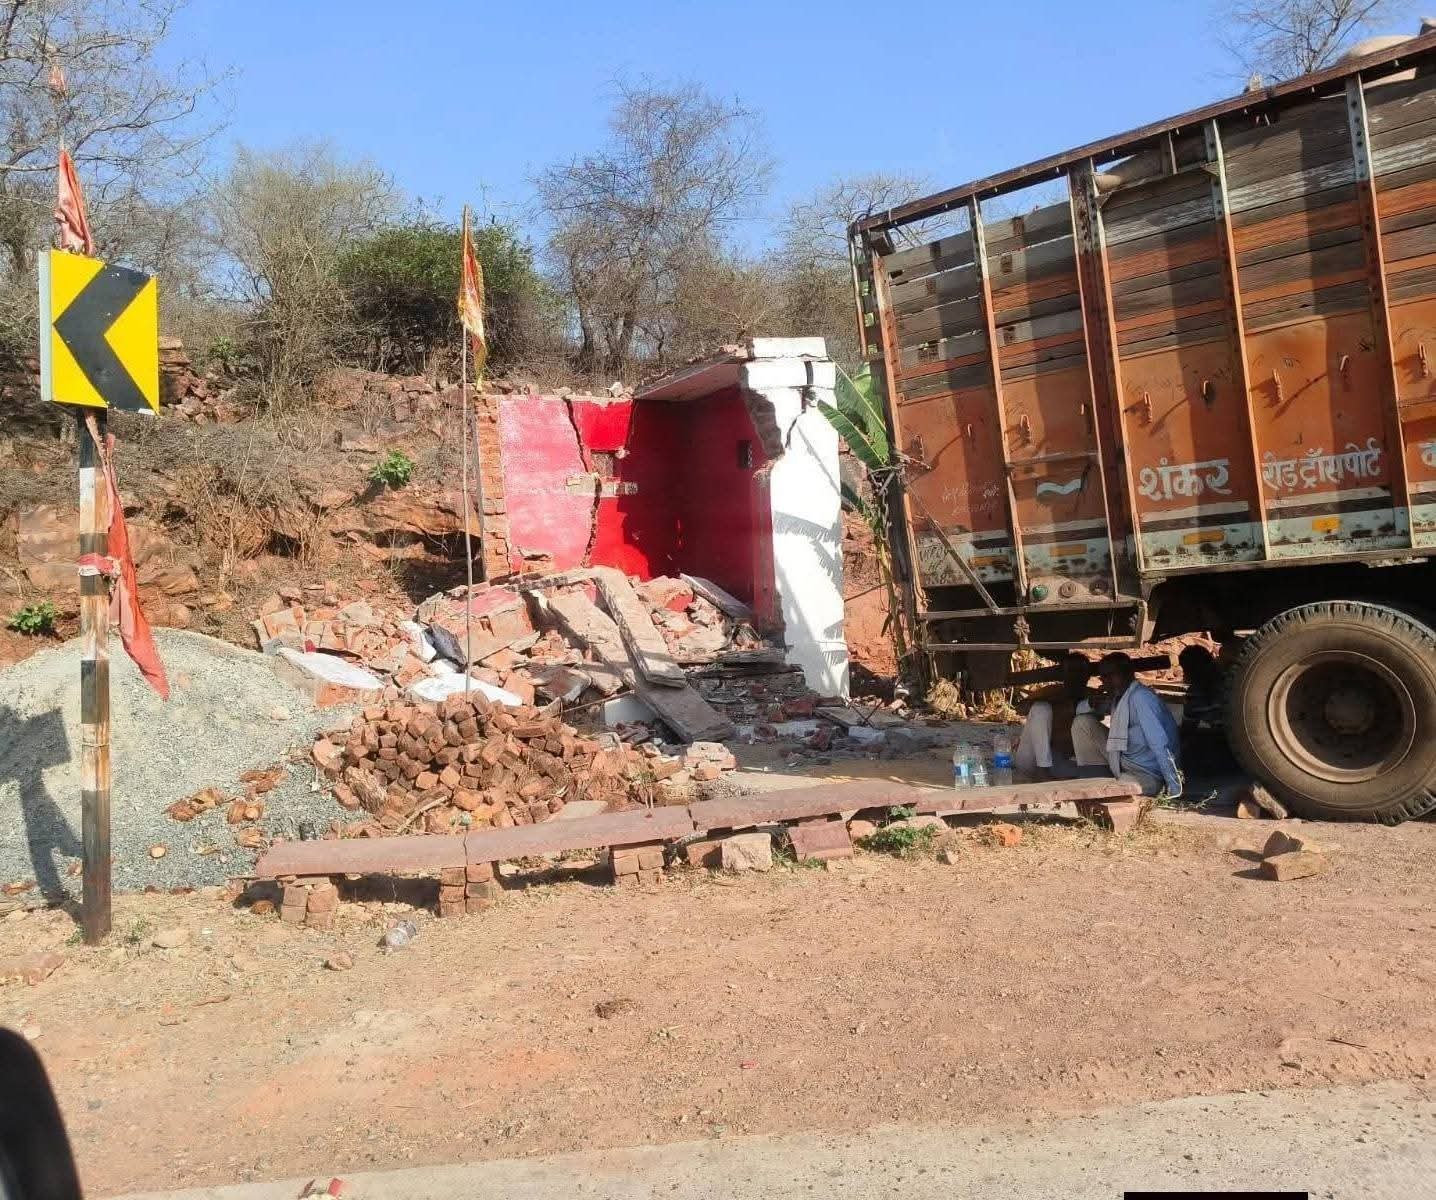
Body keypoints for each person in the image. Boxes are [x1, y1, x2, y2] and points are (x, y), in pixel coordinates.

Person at [1070, 652, 1183, 798]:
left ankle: (1104, 785)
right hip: (1124, 763)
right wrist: (1092, 702)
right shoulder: (1119, 697)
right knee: (1082, 723)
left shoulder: (1141, 697)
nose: (1106, 681)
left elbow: (1160, 743)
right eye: (1103, 677)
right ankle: (1094, 777)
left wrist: (1174, 786)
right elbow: (1079, 711)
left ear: (1127, 674)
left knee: (1112, 789)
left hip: (1147, 773)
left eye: (1111, 675)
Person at [1014, 651, 1099, 780]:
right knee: (1041, 708)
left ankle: (1048, 775)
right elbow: (1021, 708)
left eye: (1080, 672)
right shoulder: (1052, 692)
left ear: (1087, 675)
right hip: (1032, 760)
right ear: (1063, 675)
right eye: (1071, 672)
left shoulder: (1092, 697)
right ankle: (1043, 772)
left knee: (1089, 773)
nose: (1075, 676)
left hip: (1062, 760)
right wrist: (1060, 704)